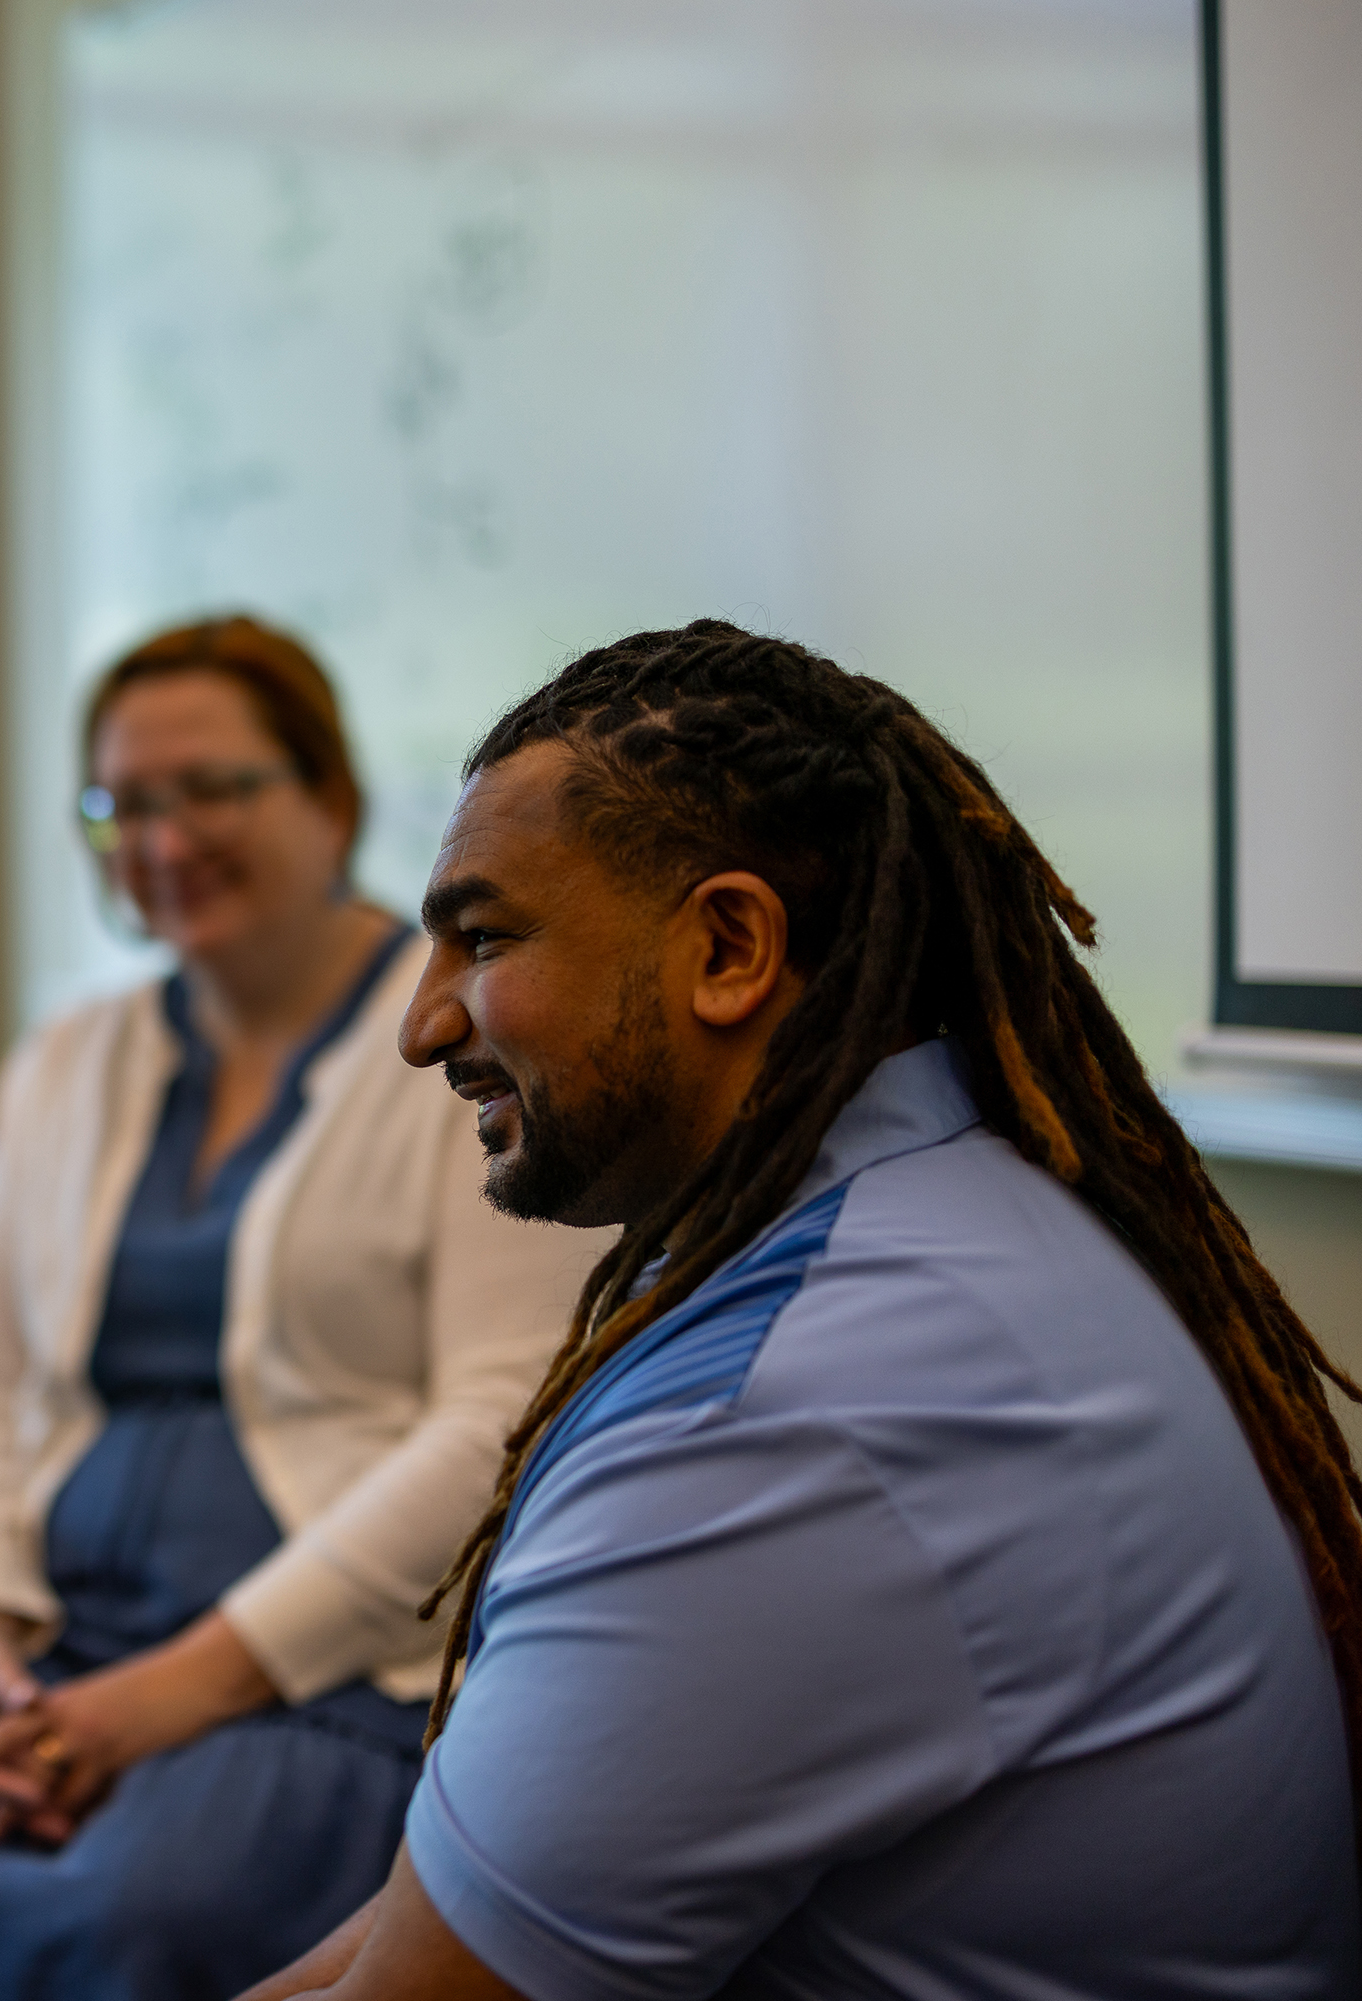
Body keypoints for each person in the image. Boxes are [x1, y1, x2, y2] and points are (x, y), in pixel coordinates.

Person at [251, 618, 1362, 2000]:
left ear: (728, 947)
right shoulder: (930, 1210)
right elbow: (462, 1903)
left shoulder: (785, 1418)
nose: (423, 1024)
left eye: (484, 939)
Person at [0, 618, 601, 2001]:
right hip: (44, 1641)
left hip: (324, 1673)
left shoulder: (462, 1048)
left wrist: (170, 1693)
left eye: (216, 789)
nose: (166, 837)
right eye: (123, 804)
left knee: (132, 1920)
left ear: (332, 799)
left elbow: (498, 1427)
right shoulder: (71, 1059)